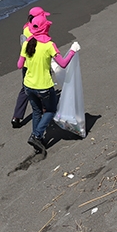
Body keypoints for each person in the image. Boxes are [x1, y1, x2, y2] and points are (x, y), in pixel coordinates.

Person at [17, 13, 79, 157]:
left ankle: (38, 142)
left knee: (37, 111)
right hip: (43, 86)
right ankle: (36, 136)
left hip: (28, 85)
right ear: (46, 28)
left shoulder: (27, 43)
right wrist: (73, 51)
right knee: (50, 110)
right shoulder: (49, 45)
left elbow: (20, 65)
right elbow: (63, 64)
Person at [11, 6, 49, 128]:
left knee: (25, 89)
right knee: (43, 85)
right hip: (38, 63)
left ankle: (17, 116)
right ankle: (44, 109)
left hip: (27, 64)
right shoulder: (38, 28)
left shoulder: (26, 28)